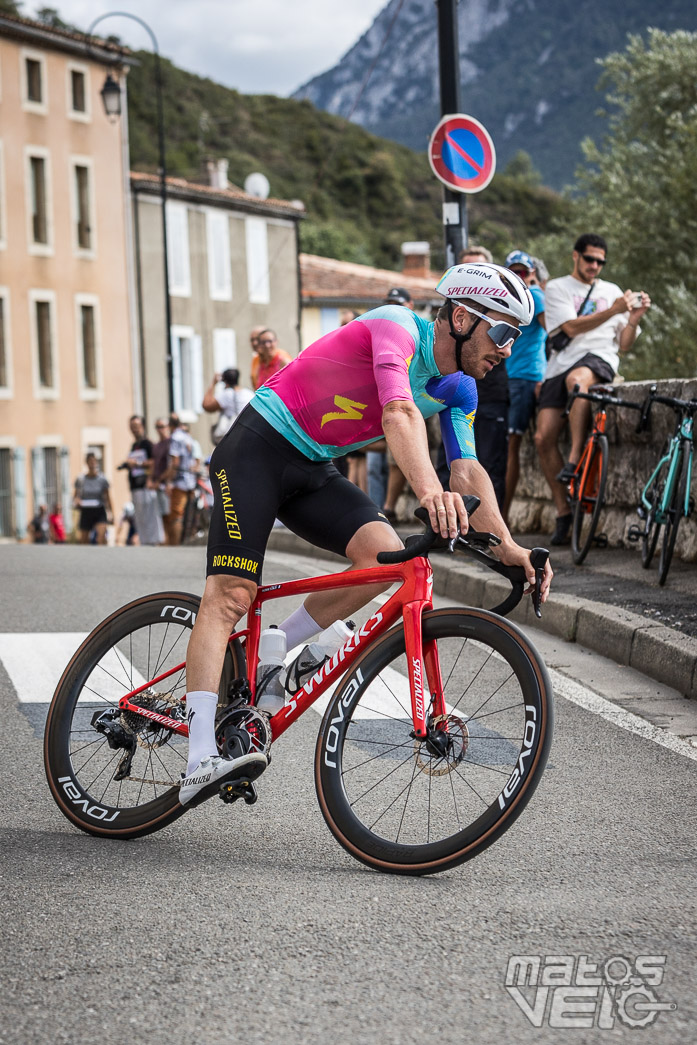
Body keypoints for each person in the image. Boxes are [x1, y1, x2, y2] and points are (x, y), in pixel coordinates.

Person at [178, 261, 553, 806]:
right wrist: (430, 496)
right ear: (463, 317)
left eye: (516, 337)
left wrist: (513, 549)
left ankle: (277, 647)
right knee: (232, 595)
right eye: (501, 332)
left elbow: (468, 472)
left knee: (386, 557)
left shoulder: (460, 390)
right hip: (257, 448)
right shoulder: (397, 328)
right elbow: (399, 410)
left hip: (313, 465)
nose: (507, 349)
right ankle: (197, 760)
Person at [534, 233, 651, 544]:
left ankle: (574, 458)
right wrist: (614, 310)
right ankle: (563, 513)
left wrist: (633, 319)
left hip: (597, 360)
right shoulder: (558, 287)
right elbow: (570, 327)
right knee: (542, 437)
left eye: (601, 261)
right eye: (590, 259)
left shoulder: (612, 292)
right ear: (576, 256)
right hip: (559, 366)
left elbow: (624, 345)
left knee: (579, 381)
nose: (595, 266)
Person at [502, 250, 547, 523]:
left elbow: (553, 332)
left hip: (527, 378)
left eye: (523, 272)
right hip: (509, 378)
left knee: (511, 446)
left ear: (531, 274)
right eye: (514, 272)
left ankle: (503, 515)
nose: (520, 277)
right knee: (505, 446)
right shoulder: (508, 299)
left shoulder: (536, 296)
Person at [379, 288, 414, 520]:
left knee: (404, 455)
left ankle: (390, 507)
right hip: (390, 398)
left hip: (414, 398)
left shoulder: (417, 329)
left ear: (410, 304)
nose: (394, 307)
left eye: (398, 303)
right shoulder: (385, 329)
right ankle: (386, 507)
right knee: (385, 460)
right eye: (390, 303)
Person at [121, 416, 163, 546]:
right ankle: (145, 543)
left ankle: (153, 542)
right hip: (135, 486)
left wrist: (138, 463)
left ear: (143, 427)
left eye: (137, 426)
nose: (134, 430)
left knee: (150, 516)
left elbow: (154, 462)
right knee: (139, 518)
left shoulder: (147, 444)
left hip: (146, 486)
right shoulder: (134, 446)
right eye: (132, 427)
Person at [166, 413, 197, 545]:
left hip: (180, 480)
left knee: (176, 515)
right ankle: (186, 542)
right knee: (188, 515)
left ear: (170, 425)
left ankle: (176, 545)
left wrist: (169, 481)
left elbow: (175, 462)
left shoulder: (175, 437)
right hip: (191, 480)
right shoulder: (187, 436)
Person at [202, 368, 254, 446]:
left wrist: (213, 383)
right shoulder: (249, 393)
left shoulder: (226, 394)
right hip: (248, 434)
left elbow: (206, 405)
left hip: (232, 438)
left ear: (224, 381)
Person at [74, 453, 112, 544]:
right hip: (86, 510)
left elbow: (108, 497)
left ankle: (102, 556)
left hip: (99, 510)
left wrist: (111, 512)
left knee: (101, 538)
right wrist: (77, 501)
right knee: (84, 540)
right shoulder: (81, 479)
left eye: (94, 461)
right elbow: (76, 496)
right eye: (90, 461)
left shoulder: (102, 479)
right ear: (86, 463)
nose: (92, 463)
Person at [148, 417, 171, 542]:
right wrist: (150, 479)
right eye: (157, 427)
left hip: (165, 484)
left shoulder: (170, 443)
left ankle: (171, 542)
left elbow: (171, 466)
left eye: (162, 426)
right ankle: (165, 541)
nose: (160, 429)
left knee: (168, 515)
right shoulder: (156, 446)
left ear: (167, 427)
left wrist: (160, 481)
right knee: (161, 516)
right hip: (157, 485)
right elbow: (154, 465)